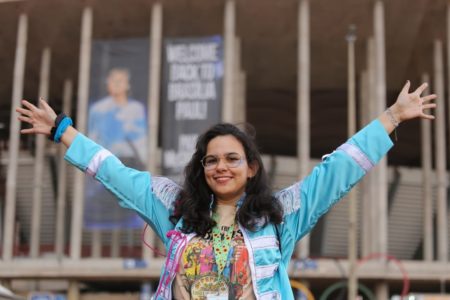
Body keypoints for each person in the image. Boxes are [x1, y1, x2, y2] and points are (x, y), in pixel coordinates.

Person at [16, 81, 436, 299]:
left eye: (233, 159)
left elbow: (337, 171)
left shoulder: (278, 216)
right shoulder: (174, 208)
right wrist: (61, 131)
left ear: (251, 168)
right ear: (202, 168)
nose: (221, 167)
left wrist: (392, 118)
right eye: (212, 159)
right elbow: (113, 172)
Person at [85, 68, 147, 228]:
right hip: (107, 162)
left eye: (120, 81)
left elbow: (141, 139)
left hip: (130, 162)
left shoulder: (135, 109)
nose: (116, 85)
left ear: (127, 85)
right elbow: (93, 137)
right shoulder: (98, 109)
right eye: (112, 81)